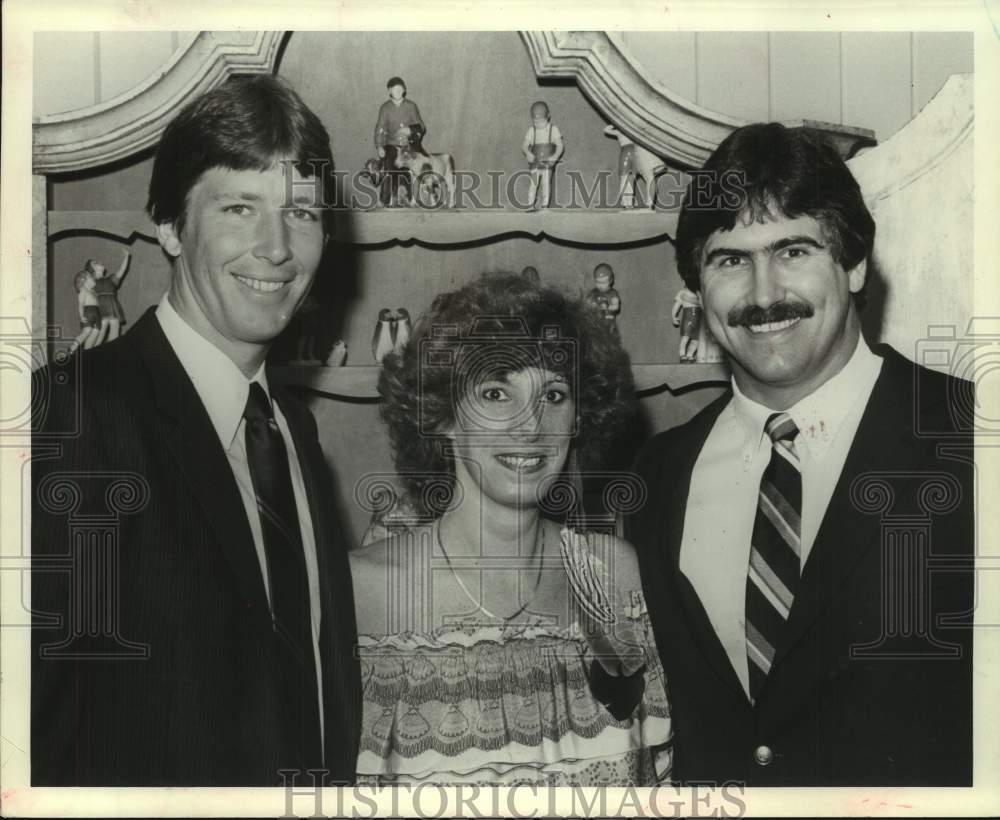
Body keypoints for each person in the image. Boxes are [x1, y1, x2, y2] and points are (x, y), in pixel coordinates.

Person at [31, 75, 361, 786]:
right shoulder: (76, 412)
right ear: (171, 226)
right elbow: (31, 729)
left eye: (301, 213)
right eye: (240, 207)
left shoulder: (293, 433)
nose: (277, 248)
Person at [626, 123, 973, 786]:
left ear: (855, 264)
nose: (763, 295)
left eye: (792, 250)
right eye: (730, 260)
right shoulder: (659, 473)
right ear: (697, 287)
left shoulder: (972, 437)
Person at [350, 274, 672, 785]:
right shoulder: (360, 591)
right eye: (496, 392)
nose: (530, 425)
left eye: (554, 395)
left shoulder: (614, 574)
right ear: (441, 416)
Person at [373, 76, 426, 207]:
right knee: (389, 167)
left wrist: (411, 129)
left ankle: (410, 198)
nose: (397, 91)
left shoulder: (411, 106)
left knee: (413, 167)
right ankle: (385, 200)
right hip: (391, 145)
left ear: (404, 90)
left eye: (400, 89)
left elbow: (421, 126)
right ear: (389, 91)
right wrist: (379, 146)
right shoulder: (385, 108)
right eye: (394, 89)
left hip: (409, 145)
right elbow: (380, 128)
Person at [522, 101, 564, 210]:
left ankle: (545, 206)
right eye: (536, 122)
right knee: (533, 183)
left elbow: (560, 146)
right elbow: (524, 145)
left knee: (546, 183)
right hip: (535, 163)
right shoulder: (532, 130)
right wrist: (527, 153)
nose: (539, 124)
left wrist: (555, 157)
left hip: (547, 163)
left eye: (541, 121)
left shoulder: (553, 129)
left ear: (548, 116)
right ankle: (530, 205)